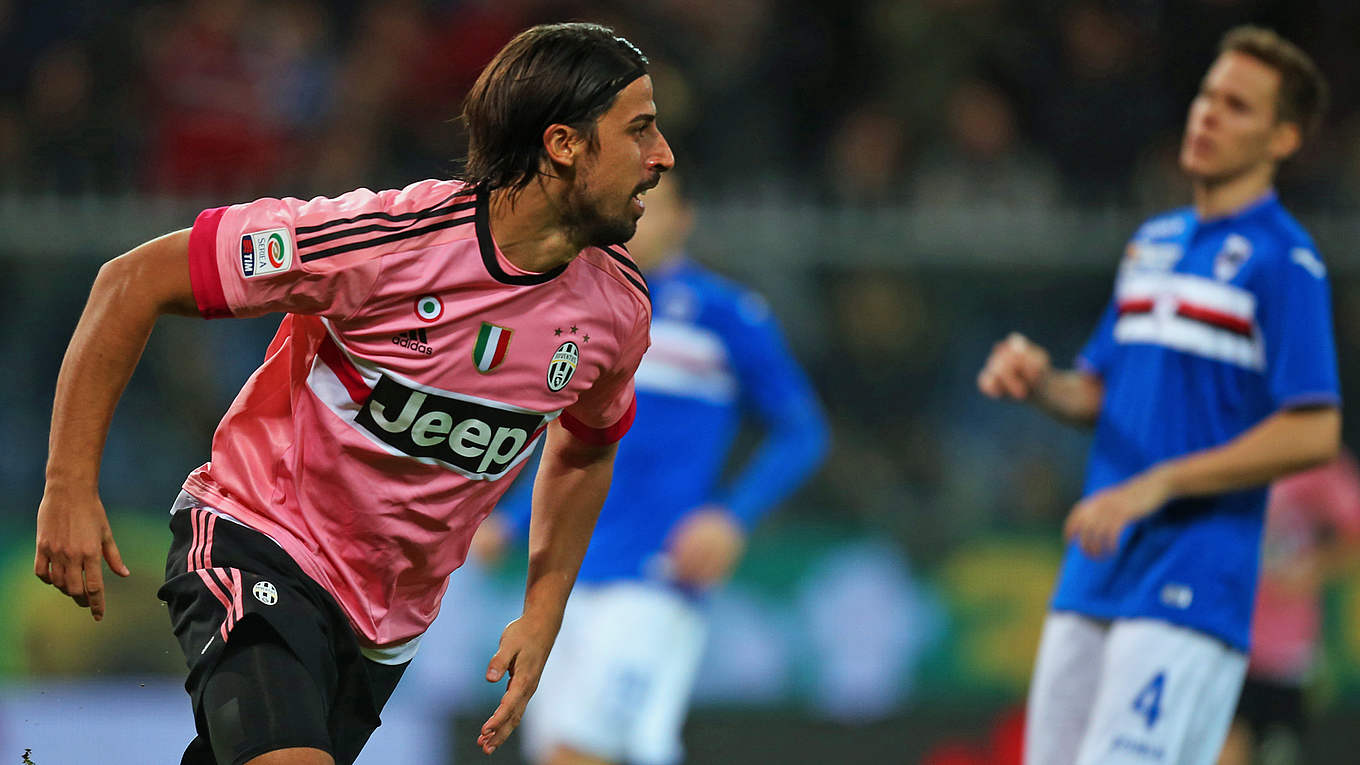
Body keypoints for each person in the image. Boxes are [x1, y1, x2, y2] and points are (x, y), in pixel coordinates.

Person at [33, 22, 673, 765]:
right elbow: (132, 280)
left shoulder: (617, 309)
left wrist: (544, 610)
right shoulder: (386, 242)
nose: (661, 156)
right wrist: (68, 486)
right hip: (259, 539)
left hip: (385, 626)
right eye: (640, 130)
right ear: (563, 144)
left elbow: (588, 446)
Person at [977, 26, 1340, 765]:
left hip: (1191, 578)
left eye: (1237, 106)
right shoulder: (1154, 242)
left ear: (1284, 138)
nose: (1207, 115)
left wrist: (1161, 483)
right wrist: (1040, 382)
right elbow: (1098, 393)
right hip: (1096, 567)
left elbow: (1314, 431)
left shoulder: (1285, 261)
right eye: (1208, 96)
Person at [470, 174, 829, 765]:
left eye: (650, 207)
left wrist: (731, 517)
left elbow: (803, 431)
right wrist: (509, 521)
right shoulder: (578, 308)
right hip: (565, 577)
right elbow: (571, 442)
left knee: (577, 752)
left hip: (654, 573)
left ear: (683, 219)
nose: (634, 222)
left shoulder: (724, 314)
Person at [1216, 450, 1360, 765]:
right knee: (1225, 747)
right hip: (1224, 636)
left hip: (1285, 652)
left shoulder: (1318, 458)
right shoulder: (1226, 446)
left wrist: (1312, 569)